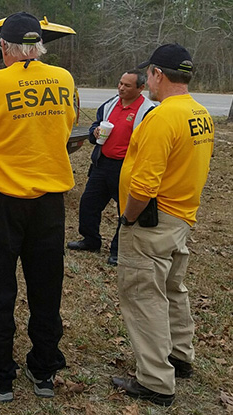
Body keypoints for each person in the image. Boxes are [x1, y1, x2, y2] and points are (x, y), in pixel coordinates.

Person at [0, 12, 76, 402]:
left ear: (5, 48)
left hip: (2, 200)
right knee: (47, 285)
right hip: (49, 201)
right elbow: (67, 124)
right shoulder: (63, 79)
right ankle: (44, 368)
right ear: (38, 46)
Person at [112, 43, 214, 407]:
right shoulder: (199, 113)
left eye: (148, 74)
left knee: (143, 295)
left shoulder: (161, 117)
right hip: (181, 216)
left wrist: (129, 217)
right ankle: (179, 355)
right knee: (172, 288)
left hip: (153, 222)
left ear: (157, 74)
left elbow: (144, 185)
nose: (147, 81)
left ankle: (156, 380)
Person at [67, 70, 155, 266]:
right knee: (88, 204)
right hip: (102, 163)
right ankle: (90, 240)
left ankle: (118, 250)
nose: (121, 88)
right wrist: (95, 132)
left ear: (141, 88)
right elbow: (95, 126)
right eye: (120, 83)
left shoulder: (148, 111)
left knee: (125, 210)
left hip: (126, 167)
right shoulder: (110, 104)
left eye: (127, 85)